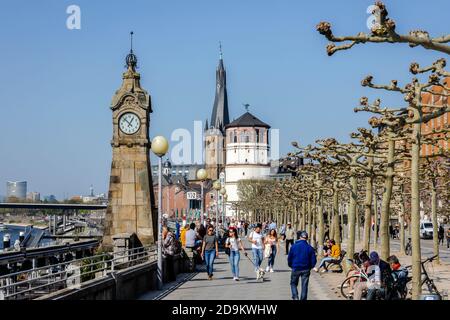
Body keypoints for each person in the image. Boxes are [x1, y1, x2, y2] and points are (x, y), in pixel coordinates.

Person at [288, 231, 317, 300]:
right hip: (306, 269)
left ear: (300, 237)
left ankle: (295, 297)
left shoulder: (293, 246)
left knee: (293, 283)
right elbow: (313, 260)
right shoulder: (310, 248)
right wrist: (311, 266)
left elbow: (289, 258)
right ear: (307, 238)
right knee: (304, 285)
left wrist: (291, 265)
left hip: (296, 268)